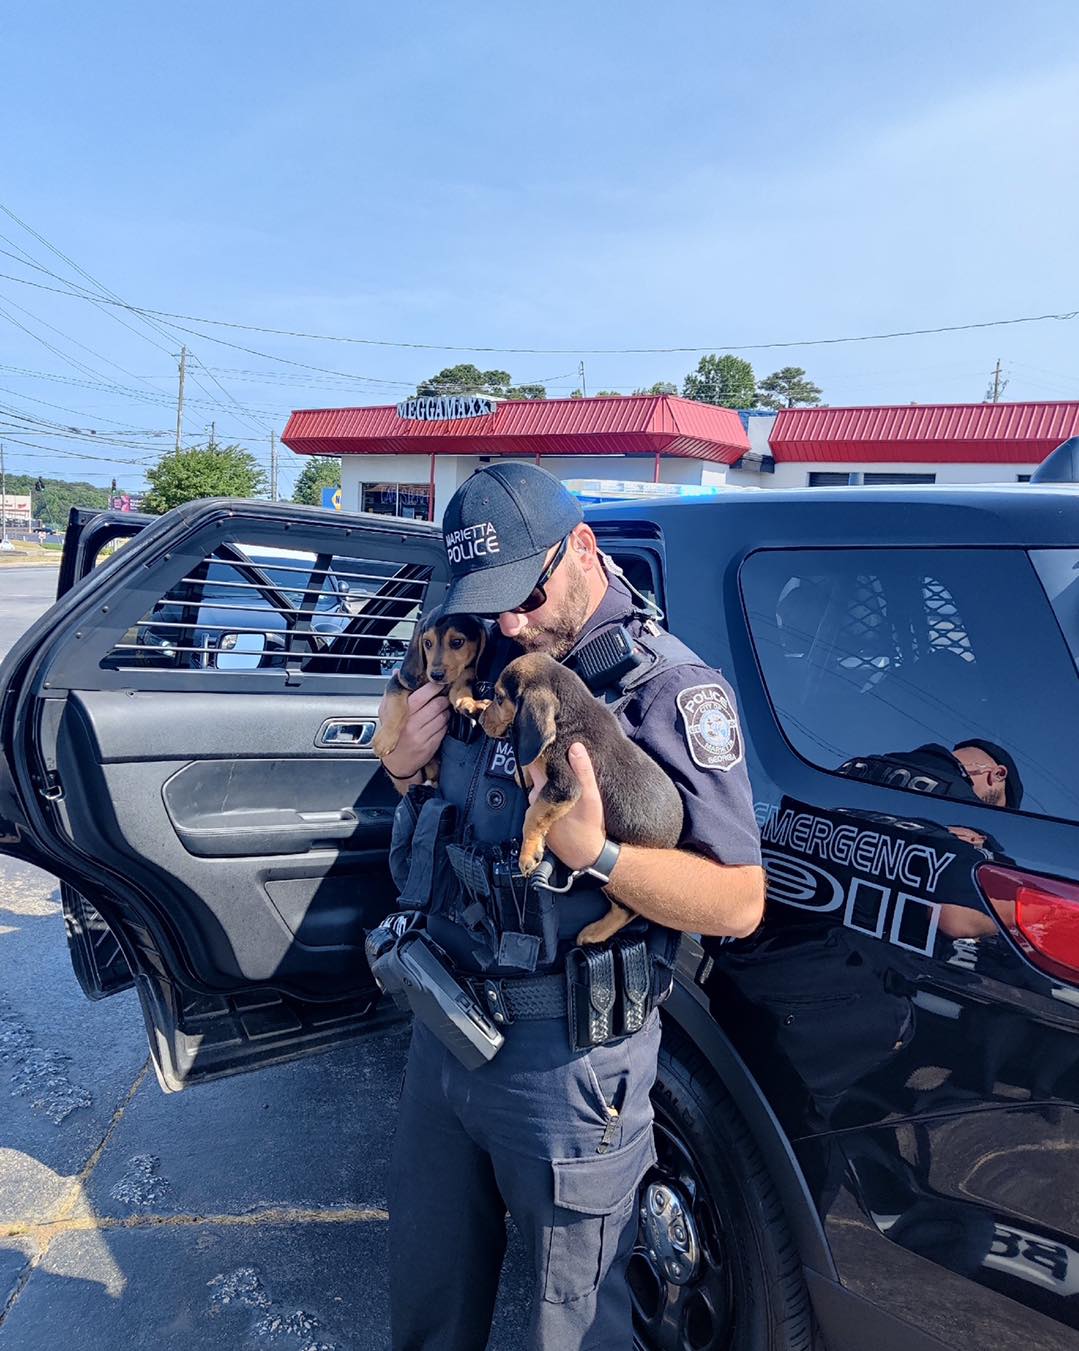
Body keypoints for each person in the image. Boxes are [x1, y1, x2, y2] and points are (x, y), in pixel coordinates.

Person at [376, 463, 765, 1350]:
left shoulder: (668, 687)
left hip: (566, 1068)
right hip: (445, 1027)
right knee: (427, 1306)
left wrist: (598, 854)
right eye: (488, 601)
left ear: (582, 547)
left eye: (523, 594)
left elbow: (739, 900)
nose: (507, 621)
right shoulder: (488, 660)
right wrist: (403, 766)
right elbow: (442, 813)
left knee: (576, 1329)